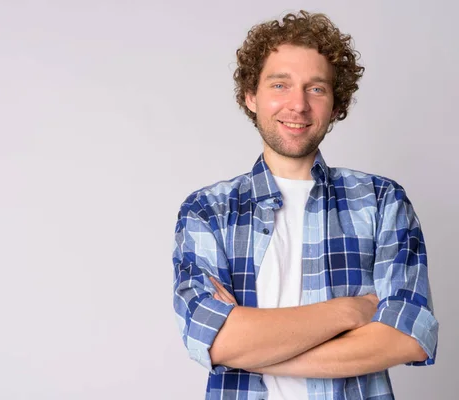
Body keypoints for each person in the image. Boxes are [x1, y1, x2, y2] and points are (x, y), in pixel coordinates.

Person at [171, 10, 439, 400]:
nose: (297, 105)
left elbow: (408, 337)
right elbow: (209, 336)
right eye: (280, 85)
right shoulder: (208, 211)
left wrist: (248, 348)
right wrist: (349, 312)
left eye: (316, 89)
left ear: (335, 104)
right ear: (251, 96)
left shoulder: (382, 201)